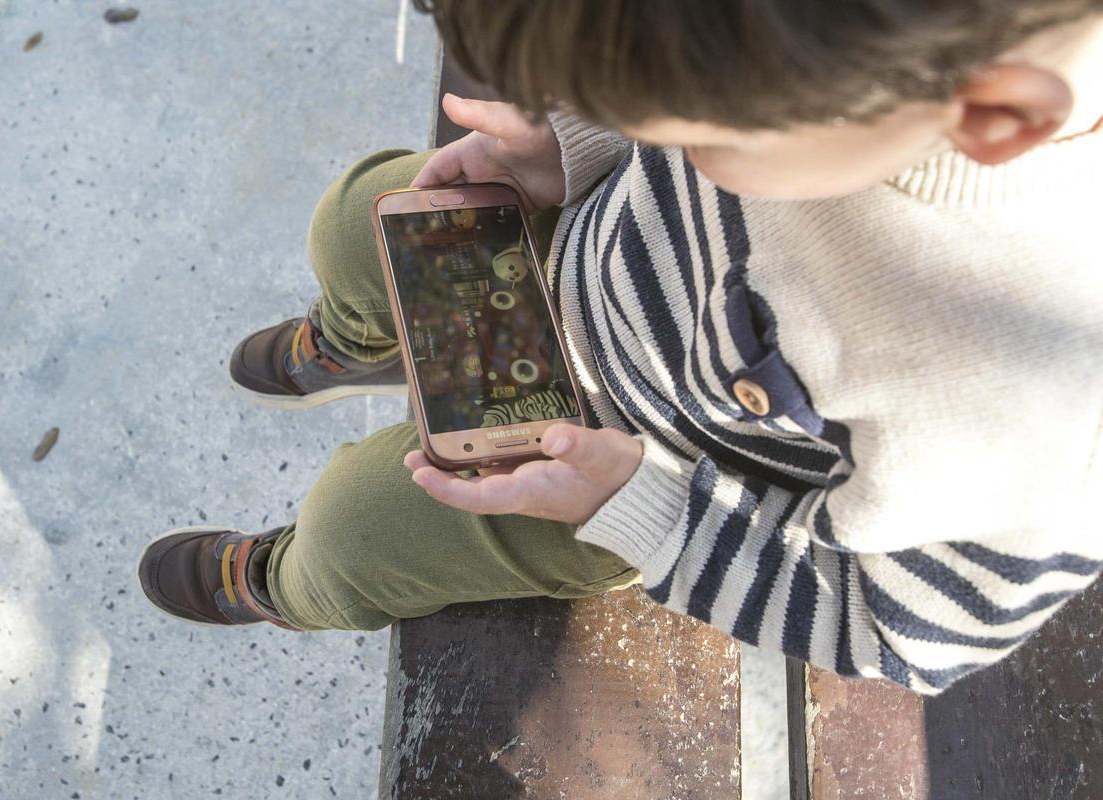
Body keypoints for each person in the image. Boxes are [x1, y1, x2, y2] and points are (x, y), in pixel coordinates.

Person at [139, 0, 1103, 694]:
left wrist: (637, 508)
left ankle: (289, 580)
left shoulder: (1043, 416)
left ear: (994, 115)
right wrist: (580, 145)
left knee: (357, 530)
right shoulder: (830, 76)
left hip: (618, 463)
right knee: (362, 219)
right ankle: (358, 342)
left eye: (690, 129)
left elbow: (901, 633)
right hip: (590, 242)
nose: (667, 137)